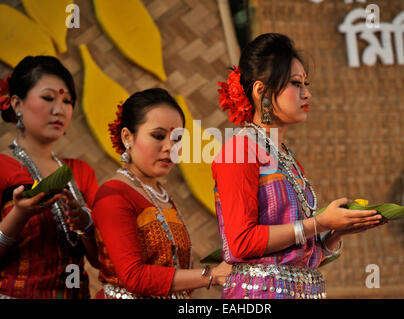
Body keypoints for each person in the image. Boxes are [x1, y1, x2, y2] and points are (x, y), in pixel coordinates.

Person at [212, 33, 387, 299]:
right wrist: (317, 223)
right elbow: (241, 243)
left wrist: (334, 234)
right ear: (261, 91)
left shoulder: (285, 157)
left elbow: (297, 256)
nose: (307, 93)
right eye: (296, 83)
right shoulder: (239, 151)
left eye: (306, 83)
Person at [92, 88, 231, 299]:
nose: (170, 147)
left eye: (177, 138)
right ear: (127, 137)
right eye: (158, 136)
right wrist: (211, 275)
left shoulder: (160, 193)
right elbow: (134, 276)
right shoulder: (113, 195)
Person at [0, 56, 99, 299]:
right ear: (16, 104)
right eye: (48, 98)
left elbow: (100, 261)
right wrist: (19, 214)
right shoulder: (3, 168)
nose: (59, 109)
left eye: (67, 101)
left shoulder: (81, 172)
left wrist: (86, 223)